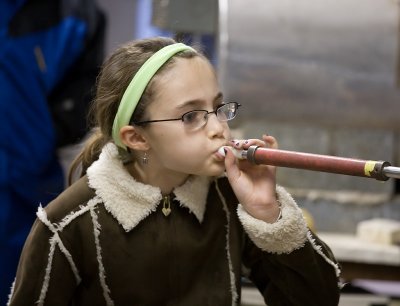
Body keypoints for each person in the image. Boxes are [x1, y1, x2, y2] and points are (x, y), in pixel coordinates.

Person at [7, 37, 341, 306]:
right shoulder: (68, 224)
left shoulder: (230, 201)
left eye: (217, 107)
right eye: (191, 116)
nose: (218, 128)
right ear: (137, 138)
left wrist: (268, 215)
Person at [0, 0, 105, 304]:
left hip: (29, 183)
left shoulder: (78, 16)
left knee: (30, 288)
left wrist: (42, 135)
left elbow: (86, 94)